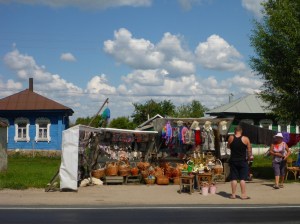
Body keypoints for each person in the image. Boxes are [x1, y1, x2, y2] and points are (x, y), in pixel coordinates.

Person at [227, 126, 252, 200]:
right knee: (242, 179)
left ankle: (233, 195)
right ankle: (243, 195)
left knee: (234, 178)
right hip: (243, 161)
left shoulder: (231, 138)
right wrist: (249, 157)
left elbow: (228, 146)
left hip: (233, 160)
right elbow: (249, 150)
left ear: (235, 131)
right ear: (241, 131)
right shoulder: (246, 138)